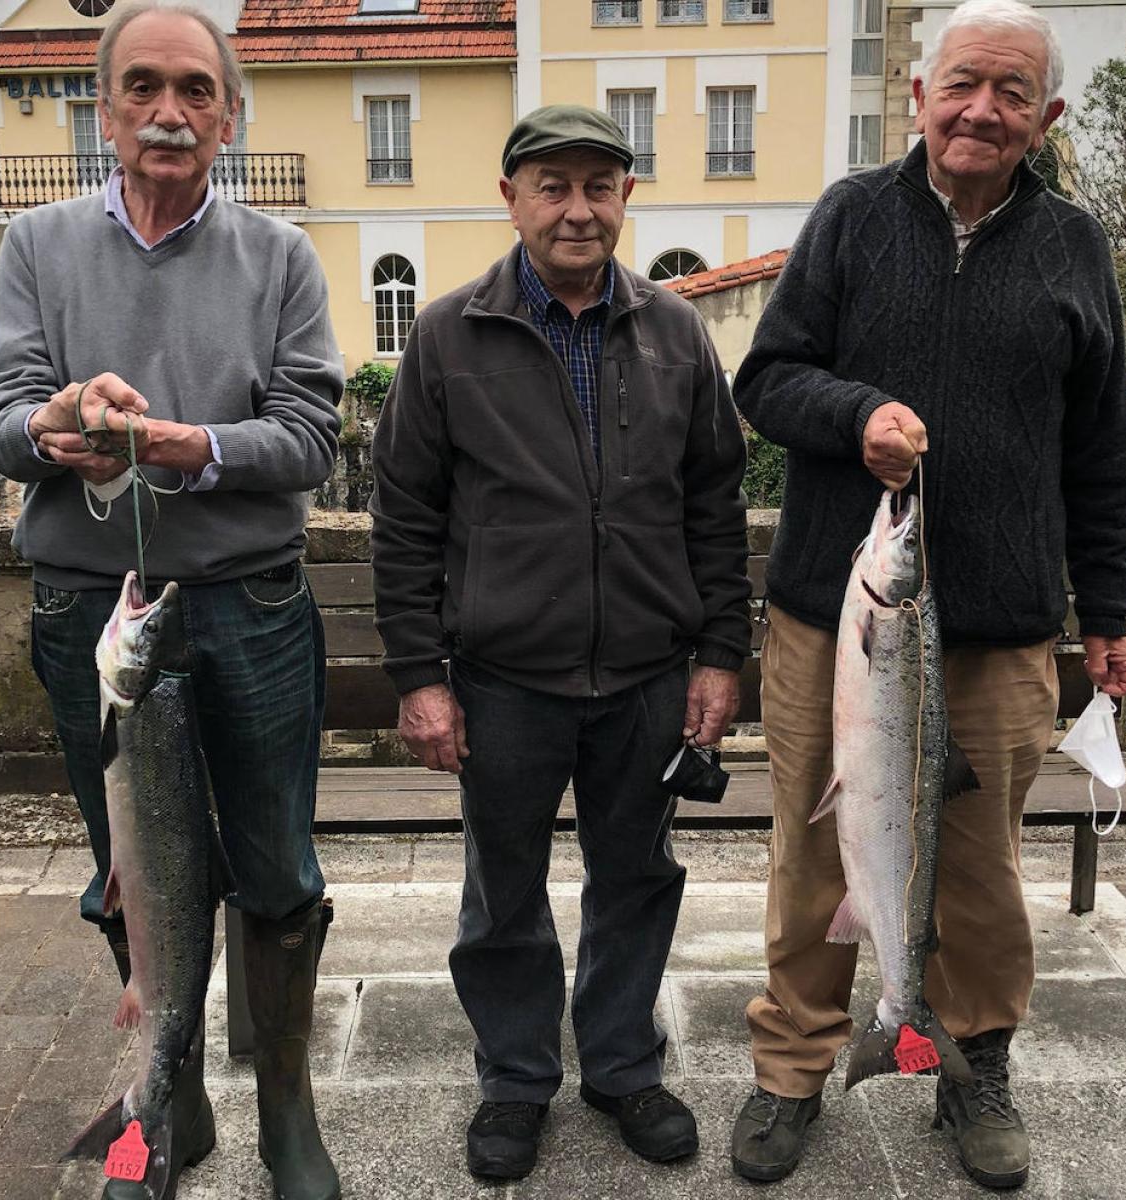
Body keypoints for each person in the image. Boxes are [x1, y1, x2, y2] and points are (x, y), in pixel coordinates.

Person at [727, 0, 1126, 1190]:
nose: (982, 110)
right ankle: (794, 1066)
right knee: (820, 858)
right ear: (919, 94)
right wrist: (855, 415)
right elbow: (767, 380)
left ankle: (973, 1061)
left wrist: (1104, 617)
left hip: (1005, 630)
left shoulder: (1075, 247)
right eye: (964, 83)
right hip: (841, 622)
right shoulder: (853, 218)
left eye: (1012, 92)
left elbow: (1102, 456)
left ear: (1046, 116)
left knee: (979, 867)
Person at [0, 6, 344, 1199]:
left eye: (195, 90)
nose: (168, 112)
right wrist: (55, 427)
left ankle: (286, 1107)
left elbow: (312, 438)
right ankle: (171, 1094)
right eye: (141, 88)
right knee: (130, 864)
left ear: (230, 115)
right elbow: (0, 418)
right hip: (93, 612)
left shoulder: (280, 257)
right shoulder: (33, 243)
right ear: (106, 107)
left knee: (279, 870)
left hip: (249, 603)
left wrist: (186, 448)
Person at [369, 104, 752, 1181]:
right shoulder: (448, 336)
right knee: (505, 891)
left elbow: (714, 506)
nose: (578, 207)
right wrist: (419, 678)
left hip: (645, 674)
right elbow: (404, 520)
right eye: (554, 185)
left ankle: (625, 1065)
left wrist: (721, 651)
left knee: (637, 877)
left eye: (600, 184)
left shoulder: (676, 333)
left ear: (627, 197)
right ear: (513, 199)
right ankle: (516, 1078)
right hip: (503, 680)